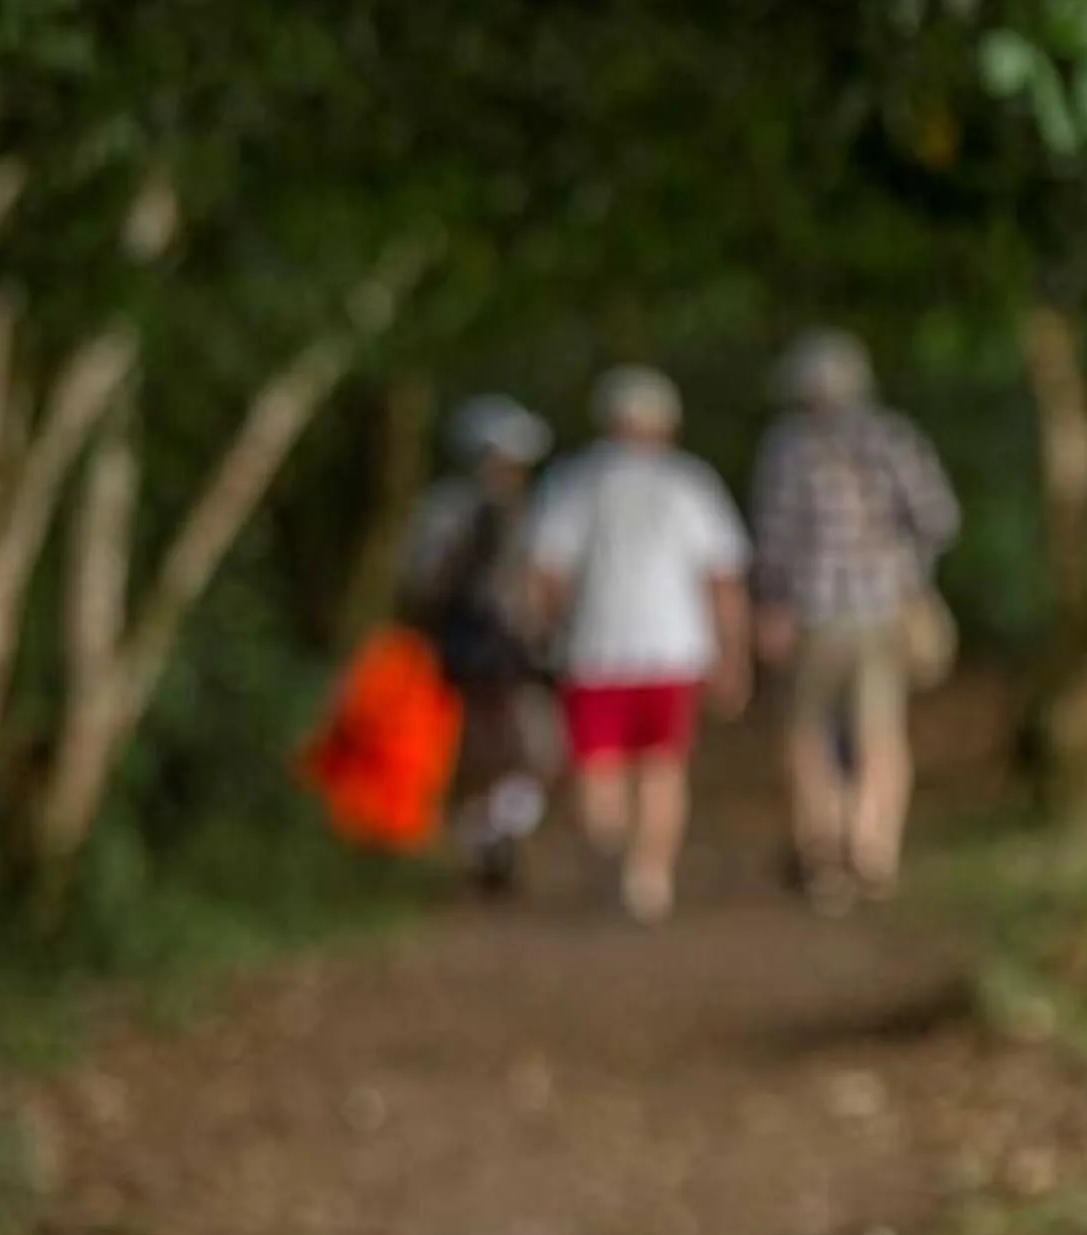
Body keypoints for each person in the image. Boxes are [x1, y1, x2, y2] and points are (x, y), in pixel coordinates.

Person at [526, 366, 752, 923]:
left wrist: (552, 629)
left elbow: (546, 573)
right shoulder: (689, 482)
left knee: (597, 767)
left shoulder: (575, 481)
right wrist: (732, 653)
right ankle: (649, 877)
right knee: (662, 767)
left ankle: (610, 863)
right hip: (674, 649)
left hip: (593, 647)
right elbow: (722, 578)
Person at [748, 330, 960, 911]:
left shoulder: (789, 446)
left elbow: (774, 538)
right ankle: (873, 848)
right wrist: (904, 567)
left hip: (815, 613)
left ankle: (824, 852)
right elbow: (939, 519)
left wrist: (770, 606)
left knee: (807, 733)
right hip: (884, 610)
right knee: (880, 734)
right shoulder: (894, 437)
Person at [399, 394, 556, 893]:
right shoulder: (456, 511)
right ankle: (485, 841)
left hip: (499, 651)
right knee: (485, 750)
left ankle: (494, 835)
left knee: (525, 747)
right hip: (474, 650)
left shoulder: (519, 511)